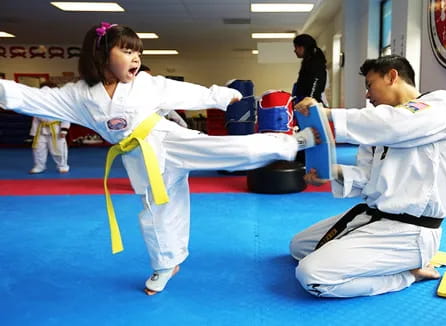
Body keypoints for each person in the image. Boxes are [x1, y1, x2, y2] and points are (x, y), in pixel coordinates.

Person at [0, 22, 320, 296]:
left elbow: (183, 94)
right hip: (140, 159)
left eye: (138, 52)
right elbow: (32, 98)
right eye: (127, 51)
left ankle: (292, 143)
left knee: (235, 153)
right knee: (156, 214)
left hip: (168, 140)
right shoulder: (80, 96)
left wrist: (221, 96)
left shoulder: (146, 85)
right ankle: (167, 264)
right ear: (100, 55)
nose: (135, 58)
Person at [290, 54, 446, 298]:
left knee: (312, 276)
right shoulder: (380, 126)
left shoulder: (443, 104)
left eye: (370, 84)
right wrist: (331, 173)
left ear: (392, 76)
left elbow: (396, 125)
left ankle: (408, 274)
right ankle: (378, 260)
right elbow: (367, 176)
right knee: (299, 247)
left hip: (410, 231)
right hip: (374, 217)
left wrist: (327, 113)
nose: (367, 95)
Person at [28, 81, 70, 174]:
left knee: (59, 148)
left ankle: (62, 166)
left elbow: (66, 116)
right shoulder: (38, 104)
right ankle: (39, 166)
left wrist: (64, 129)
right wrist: (33, 133)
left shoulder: (61, 103)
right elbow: (35, 119)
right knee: (38, 149)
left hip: (56, 129)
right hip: (41, 130)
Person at [292, 34, 328, 106]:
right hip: (305, 101)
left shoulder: (316, 63)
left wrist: (310, 100)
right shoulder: (308, 62)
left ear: (302, 48)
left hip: (310, 103)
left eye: (296, 47)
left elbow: (316, 85)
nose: (294, 51)